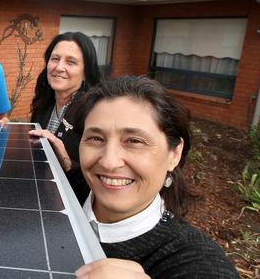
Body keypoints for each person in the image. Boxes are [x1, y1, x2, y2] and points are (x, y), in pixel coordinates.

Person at [75, 76, 239, 279]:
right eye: (96, 138)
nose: (109, 162)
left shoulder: (193, 259)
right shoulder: (64, 191)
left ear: (174, 154)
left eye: (134, 141)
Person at [28, 32, 101, 205]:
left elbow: (102, 175)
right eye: (55, 59)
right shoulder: (44, 106)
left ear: (85, 73)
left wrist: (68, 164)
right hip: (45, 198)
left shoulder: (94, 113)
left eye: (71, 62)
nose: (59, 67)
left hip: (76, 206)